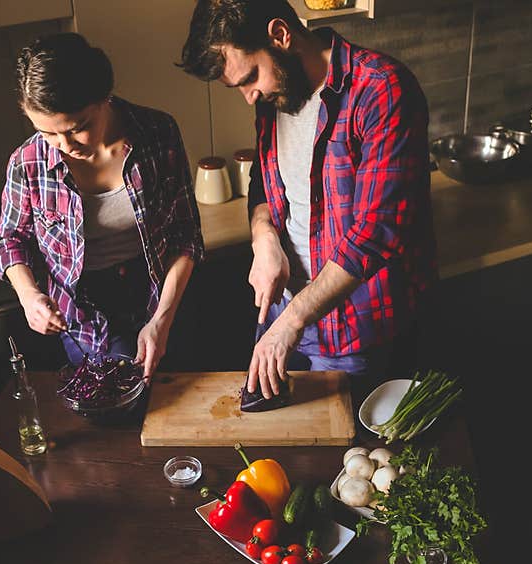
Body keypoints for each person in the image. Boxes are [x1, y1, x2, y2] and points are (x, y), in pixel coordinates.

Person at [179, 0, 438, 401]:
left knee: (344, 456)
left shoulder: (381, 89)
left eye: (250, 77)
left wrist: (294, 318)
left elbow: (376, 232)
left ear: (281, 35)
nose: (250, 97)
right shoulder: (276, 95)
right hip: (284, 312)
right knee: (283, 448)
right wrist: (263, 240)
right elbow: (265, 183)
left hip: (354, 328)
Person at [0, 33, 205, 379]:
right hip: (84, 315)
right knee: (119, 410)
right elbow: (9, 239)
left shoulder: (158, 133)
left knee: (180, 402)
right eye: (47, 133)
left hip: (162, 291)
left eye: (78, 129)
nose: (63, 145)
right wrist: (29, 295)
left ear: (103, 97)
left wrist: (162, 319)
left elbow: (186, 234)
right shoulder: (27, 162)